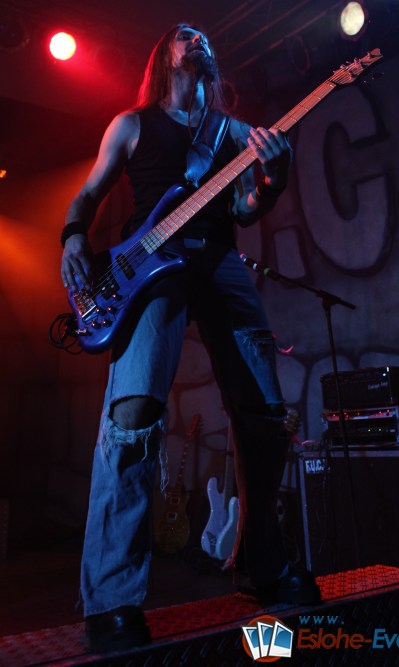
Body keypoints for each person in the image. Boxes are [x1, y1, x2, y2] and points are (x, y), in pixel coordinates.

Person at [60, 23, 321, 654]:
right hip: (147, 267)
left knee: (265, 415)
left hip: (218, 260)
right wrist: (72, 236)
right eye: (183, 33)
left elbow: (244, 210)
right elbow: (90, 193)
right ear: (163, 56)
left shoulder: (233, 135)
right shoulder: (131, 125)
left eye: (202, 33)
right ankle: (113, 598)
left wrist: (273, 179)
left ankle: (262, 565)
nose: (195, 36)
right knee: (133, 414)